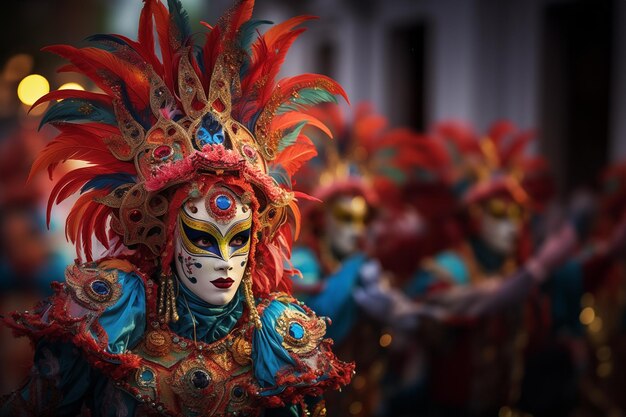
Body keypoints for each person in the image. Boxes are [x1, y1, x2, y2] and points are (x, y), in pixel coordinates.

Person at [0, 1, 355, 416]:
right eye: (203, 238)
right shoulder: (112, 314)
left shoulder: (278, 337)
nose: (225, 261)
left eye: (239, 239)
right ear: (166, 237)